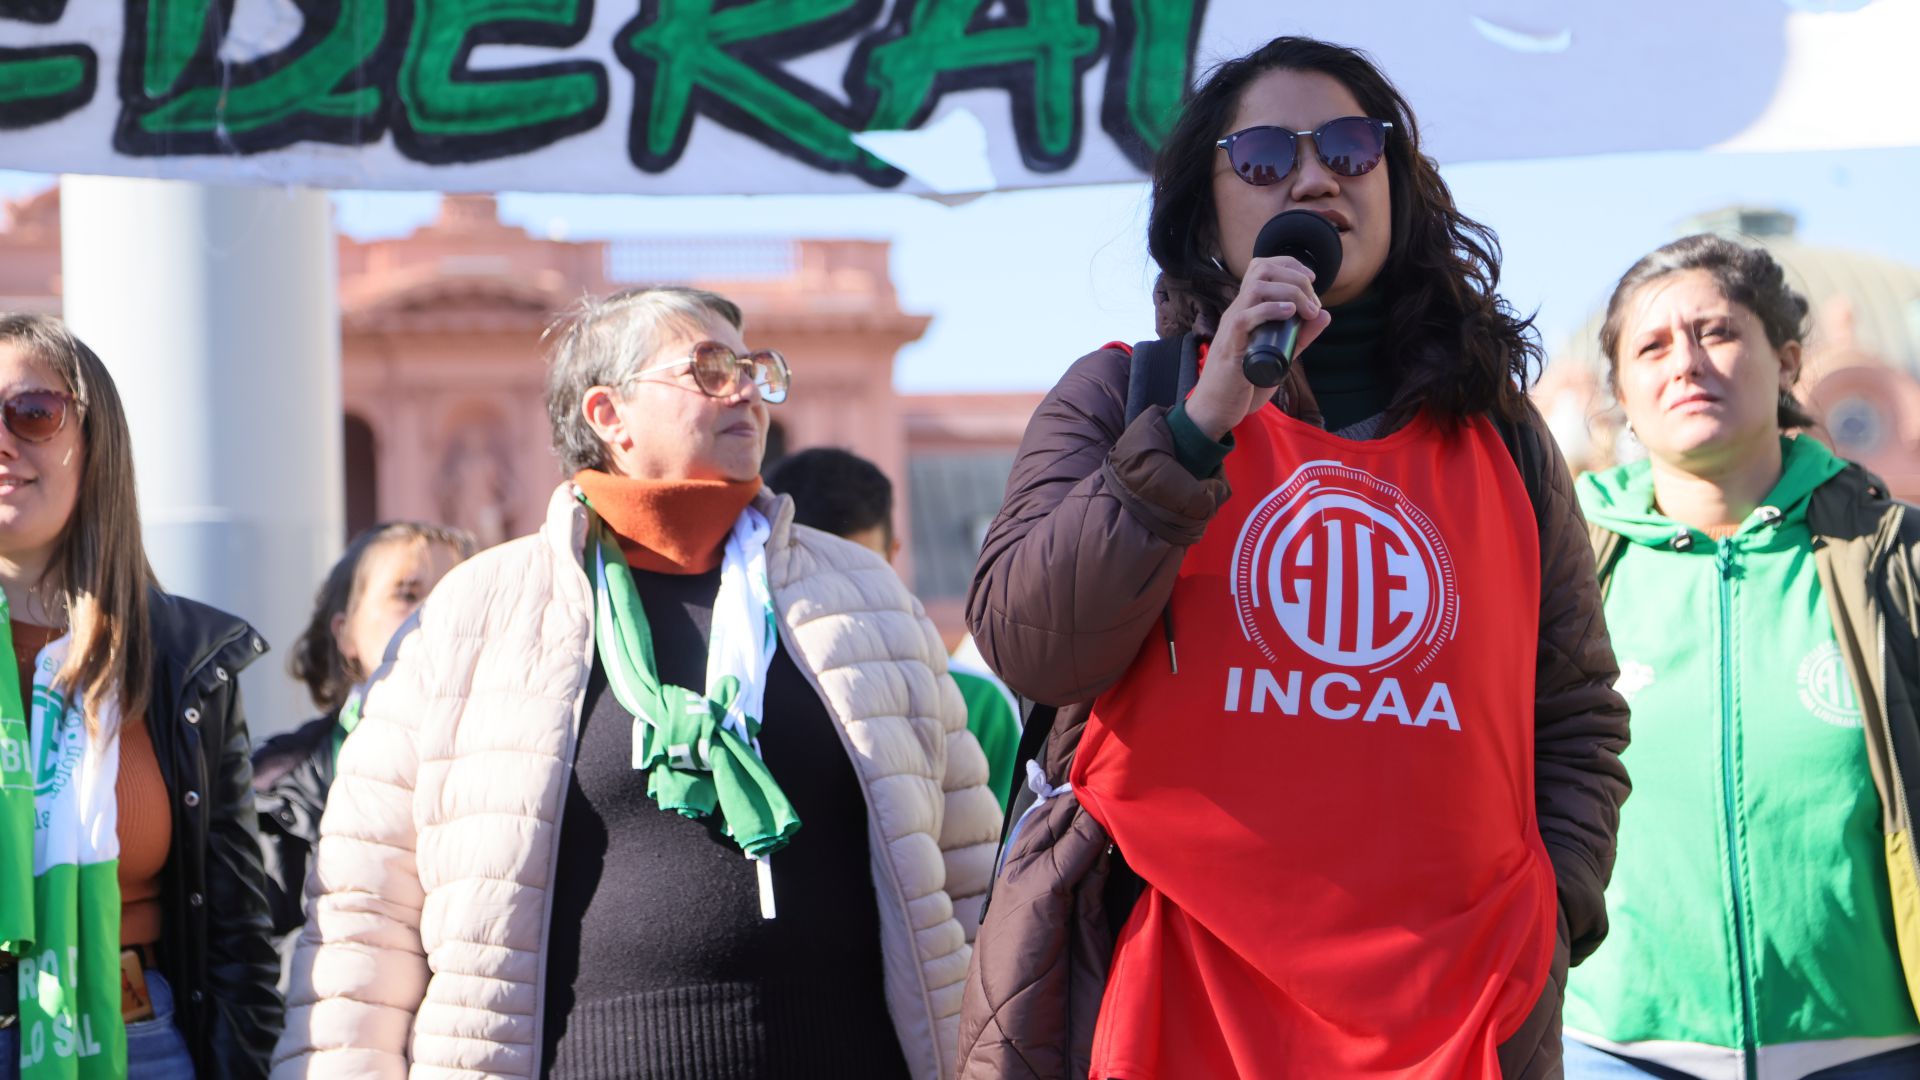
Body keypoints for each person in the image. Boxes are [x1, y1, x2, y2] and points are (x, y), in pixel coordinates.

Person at [957, 36, 1631, 1080]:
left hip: (1454, 1011)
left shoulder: (1501, 438)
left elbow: (1577, 715)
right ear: (1202, 208)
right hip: (1178, 989)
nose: (1317, 175)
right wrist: (1197, 425)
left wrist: (1546, 917)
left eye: (1355, 148)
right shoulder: (1119, 397)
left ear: (1397, 182)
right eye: (1266, 156)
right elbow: (1032, 647)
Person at [271, 286, 1000, 1079]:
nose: (748, 390)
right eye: (710, 371)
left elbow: (970, 874)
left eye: (756, 369)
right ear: (608, 415)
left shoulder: (867, 598)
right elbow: (364, 918)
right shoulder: (471, 617)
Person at [1564, 235, 1920, 1077]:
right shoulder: (1562, 564)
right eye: (1651, 346)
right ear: (1622, 394)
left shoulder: (1893, 554)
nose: (1686, 363)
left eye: (1717, 332)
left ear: (1788, 360)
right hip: (1615, 1045)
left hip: (1870, 1044)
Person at [0, 313, 282, 1078]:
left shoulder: (187, 656)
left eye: (31, 414)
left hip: (138, 1042)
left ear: (97, 444)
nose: (3, 443)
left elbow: (236, 923)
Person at [252, 522, 474, 953]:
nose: (434, 611)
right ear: (346, 632)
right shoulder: (272, 788)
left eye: (452, 593)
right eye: (406, 594)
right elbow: (256, 960)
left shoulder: (526, 754)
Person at [766, 447, 1022, 810]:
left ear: (892, 555)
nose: (835, 594)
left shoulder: (975, 702)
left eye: (858, 570)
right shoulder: (742, 692)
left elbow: (1005, 857)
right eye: (814, 572)